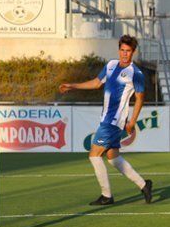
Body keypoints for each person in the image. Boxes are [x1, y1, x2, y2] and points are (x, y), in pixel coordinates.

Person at [59, 34, 153, 206]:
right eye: (122, 50)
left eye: (128, 51)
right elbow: (96, 83)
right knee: (112, 157)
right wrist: (73, 85)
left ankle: (107, 195)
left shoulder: (135, 73)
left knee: (94, 155)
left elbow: (140, 98)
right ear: (119, 50)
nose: (125, 54)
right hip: (106, 119)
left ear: (133, 53)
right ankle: (144, 184)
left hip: (114, 121)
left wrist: (132, 121)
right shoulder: (110, 65)